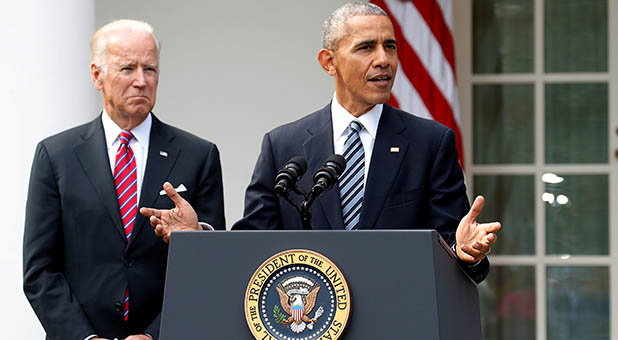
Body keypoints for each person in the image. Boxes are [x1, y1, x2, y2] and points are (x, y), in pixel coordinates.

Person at [141, 2, 500, 283]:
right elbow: (251, 246)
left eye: (390, 46)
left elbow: (453, 248)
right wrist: (196, 236)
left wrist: (465, 250)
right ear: (329, 61)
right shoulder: (283, 145)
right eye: (366, 48)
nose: (383, 60)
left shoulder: (430, 143)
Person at [23, 20, 225, 340]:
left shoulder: (198, 155)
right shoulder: (56, 155)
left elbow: (211, 268)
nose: (141, 81)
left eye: (151, 70)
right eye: (128, 68)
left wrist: (155, 335)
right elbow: (40, 271)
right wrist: (84, 337)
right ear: (96, 75)